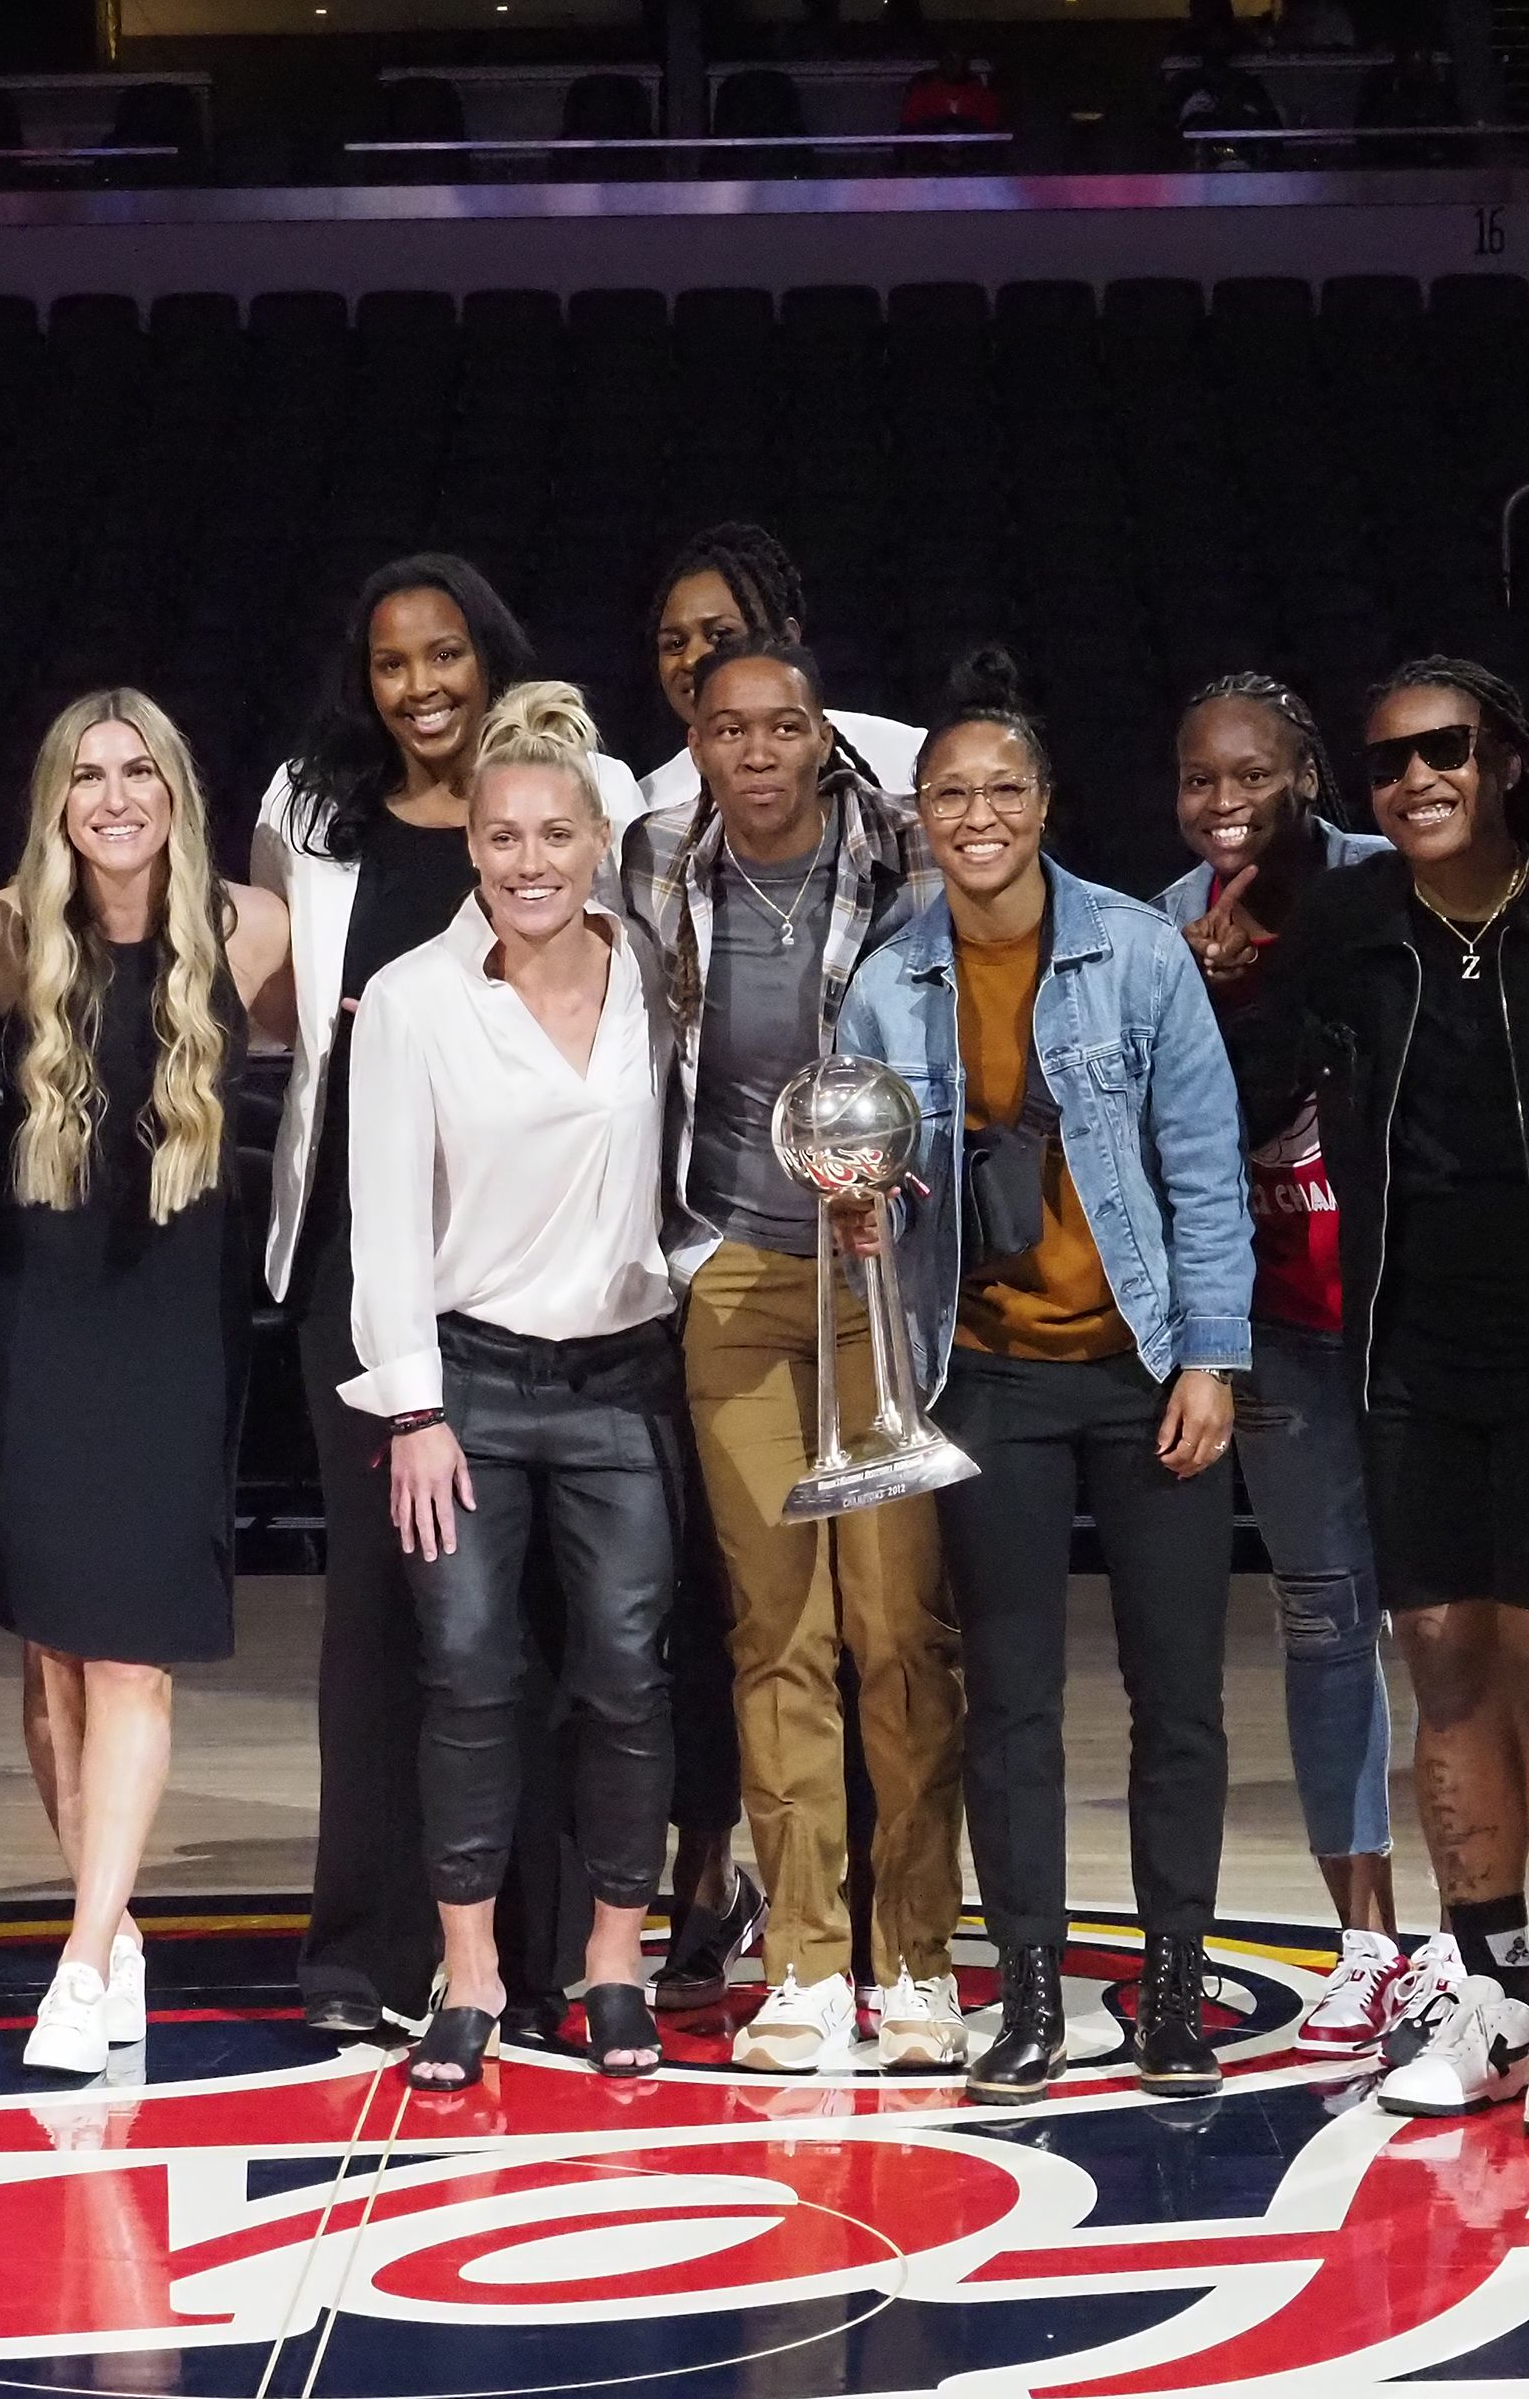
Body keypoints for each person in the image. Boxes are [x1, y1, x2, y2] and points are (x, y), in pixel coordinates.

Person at [831, 646, 1253, 2101]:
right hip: (987, 1373)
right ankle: (1024, 1994)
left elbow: (1205, 1175)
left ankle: (1177, 1994)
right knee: (1008, 1699)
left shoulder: (1137, 952)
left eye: (1002, 787)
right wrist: (864, 1203)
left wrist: (1214, 1356)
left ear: (1046, 800)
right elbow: (867, 1171)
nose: (977, 814)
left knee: (1176, 1696)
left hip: (1145, 1377)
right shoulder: (889, 979)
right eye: (949, 793)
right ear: (919, 816)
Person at [1230, 659, 1529, 2140]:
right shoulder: (1348, 925)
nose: (1415, 780)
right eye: (1389, 760)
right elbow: (1258, 1075)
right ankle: (1488, 1990)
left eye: (1444, 751)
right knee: (1446, 1664)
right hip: (1404, 1356)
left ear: (1507, 758)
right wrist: (1243, 960)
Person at [253, 554, 644, 2042]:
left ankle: (531, 1953)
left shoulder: (572, 785)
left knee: (537, 1624)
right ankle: (365, 1949)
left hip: (538, 1256)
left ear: (490, 657)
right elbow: (285, 1001)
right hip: (368, 1250)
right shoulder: (310, 805)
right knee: (386, 1613)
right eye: (392, 663)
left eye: (445, 656)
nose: (421, 686)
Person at [620, 631, 959, 2073]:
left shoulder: (898, 852)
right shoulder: (648, 863)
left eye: (783, 728)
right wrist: (685, 1251)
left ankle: (921, 1960)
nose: (757, 754)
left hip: (878, 1274)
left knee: (896, 1632)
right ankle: (810, 1964)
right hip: (742, 1274)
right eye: (729, 730)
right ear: (696, 742)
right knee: (777, 1635)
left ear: (826, 738)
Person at [350, 680, 681, 2092]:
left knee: (624, 1676)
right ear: (471, 846)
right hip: (470, 1384)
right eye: (502, 836)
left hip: (626, 1381)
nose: (529, 860)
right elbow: (384, 1224)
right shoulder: (417, 1003)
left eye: (555, 833)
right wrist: (414, 1409)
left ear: (598, 838)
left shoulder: (664, 972)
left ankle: (613, 1963)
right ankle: (472, 1975)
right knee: (470, 1678)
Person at [0, 691, 290, 2074]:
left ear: (177, 790)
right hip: (38, 1322)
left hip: (174, 1326)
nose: (115, 795)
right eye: (89, 773)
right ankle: (114, 1931)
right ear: (56, 798)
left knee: (130, 1655)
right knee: (50, 1667)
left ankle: (87, 1956)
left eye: (140, 770)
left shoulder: (251, 929)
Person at [1156, 672, 1403, 2053]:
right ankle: (1365, 1937)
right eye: (1201, 779)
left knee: (1452, 1623)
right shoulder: (1155, 928)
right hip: (1267, 1324)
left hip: (1413, 1308)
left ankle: (1496, 1938)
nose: (1226, 801)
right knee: (1323, 1612)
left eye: (1252, 772)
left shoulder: (1378, 889)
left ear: (1306, 770)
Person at [637, 523, 924, 818]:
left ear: (786, 638)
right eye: (674, 643)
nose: (691, 659)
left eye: (721, 635)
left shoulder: (902, 757)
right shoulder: (648, 804)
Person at [899, 48, 1007, 135]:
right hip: (930, 157)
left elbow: (992, 133)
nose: (952, 63)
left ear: (966, 63)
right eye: (947, 58)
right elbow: (908, 130)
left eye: (957, 58)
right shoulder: (922, 94)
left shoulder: (983, 96)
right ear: (940, 63)